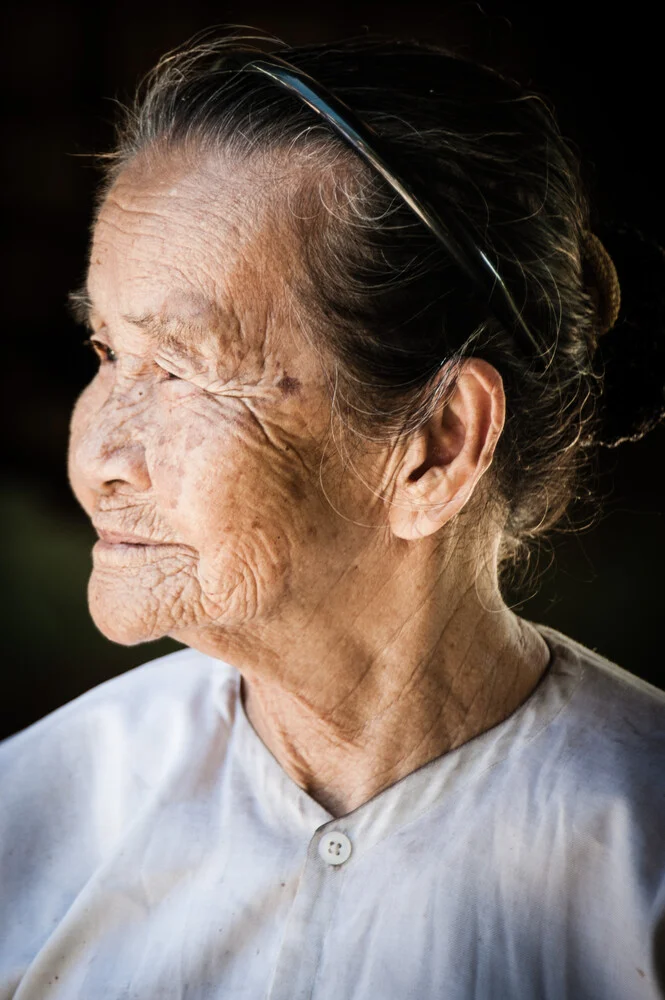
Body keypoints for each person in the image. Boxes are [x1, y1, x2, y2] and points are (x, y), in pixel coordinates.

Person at [1, 28, 664, 1000]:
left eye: (182, 370)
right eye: (105, 354)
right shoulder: (35, 816)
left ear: (435, 448)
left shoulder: (638, 857)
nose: (99, 455)